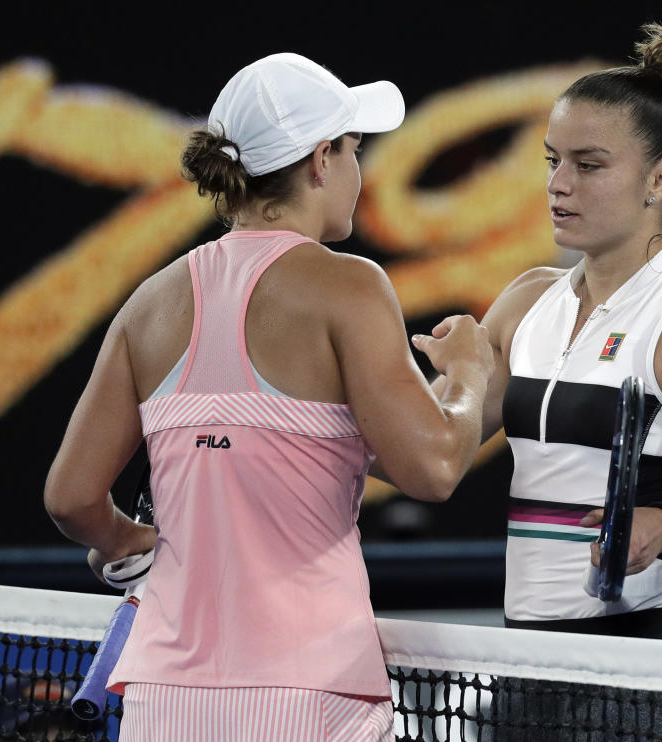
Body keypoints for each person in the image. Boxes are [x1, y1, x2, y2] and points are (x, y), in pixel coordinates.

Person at [43, 53, 494, 742]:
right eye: (353, 151)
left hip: (165, 702)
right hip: (311, 694)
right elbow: (433, 468)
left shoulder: (149, 305)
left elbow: (71, 498)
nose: (358, 172)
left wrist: (129, 541)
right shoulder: (349, 287)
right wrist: (468, 375)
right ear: (320, 161)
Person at [417, 19, 662, 741]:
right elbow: (433, 456)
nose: (557, 185)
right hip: (525, 677)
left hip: (652, 685)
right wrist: (455, 373)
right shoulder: (525, 301)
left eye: (588, 165)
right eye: (554, 160)